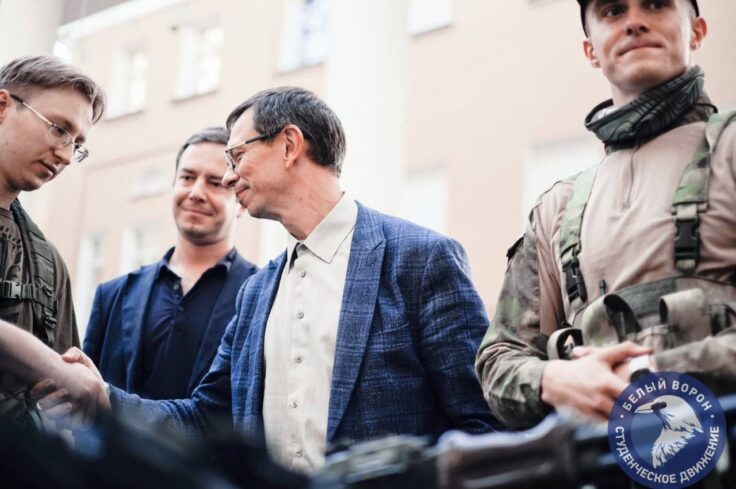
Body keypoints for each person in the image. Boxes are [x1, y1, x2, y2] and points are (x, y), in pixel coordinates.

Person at [40, 86, 496, 474]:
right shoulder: (256, 293)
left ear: (289, 145)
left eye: (236, 155)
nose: (229, 176)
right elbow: (205, 416)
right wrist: (104, 397)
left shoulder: (422, 259)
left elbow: (483, 424)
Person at [476, 0, 736, 430]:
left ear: (697, 30)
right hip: (606, 458)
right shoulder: (556, 209)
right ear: (591, 51)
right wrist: (554, 379)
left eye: (655, 4)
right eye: (613, 11)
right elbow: (499, 361)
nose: (635, 23)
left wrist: (648, 373)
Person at [82, 127, 257, 400]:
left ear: (241, 202)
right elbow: (84, 399)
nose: (196, 192)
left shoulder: (262, 297)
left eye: (215, 183)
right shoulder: (111, 296)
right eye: (187, 177)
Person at [0, 55, 105, 425]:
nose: (66, 155)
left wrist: (77, 391)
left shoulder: (49, 263)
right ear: (2, 106)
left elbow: (62, 397)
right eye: (59, 129)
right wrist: (50, 365)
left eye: (76, 144)